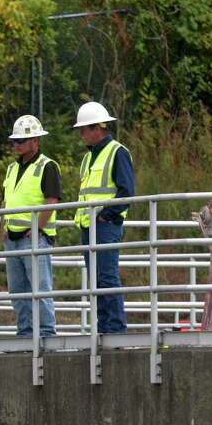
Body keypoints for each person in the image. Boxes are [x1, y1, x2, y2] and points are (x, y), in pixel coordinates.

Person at [74, 101, 135, 334]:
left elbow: (126, 191)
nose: (81, 135)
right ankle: (104, 328)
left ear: (97, 128)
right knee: (96, 282)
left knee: (107, 278)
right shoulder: (88, 158)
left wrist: (105, 216)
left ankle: (115, 329)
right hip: (89, 226)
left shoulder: (117, 152)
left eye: (84, 130)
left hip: (105, 226)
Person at [1, 114, 62, 337]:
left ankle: (46, 332)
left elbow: (51, 200)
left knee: (40, 288)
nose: (16, 145)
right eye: (14, 141)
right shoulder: (11, 169)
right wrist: (4, 227)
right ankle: (25, 332)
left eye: (21, 141)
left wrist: (36, 229)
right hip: (13, 237)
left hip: (34, 237)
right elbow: (5, 200)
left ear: (35, 141)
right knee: (17, 290)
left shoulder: (47, 166)